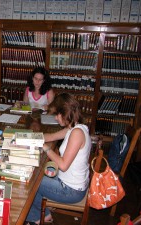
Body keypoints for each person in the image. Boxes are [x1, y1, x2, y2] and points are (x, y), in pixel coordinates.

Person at [25, 93, 92, 224]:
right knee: (36, 174)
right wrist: (28, 137)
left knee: (31, 180)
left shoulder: (76, 133)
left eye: (57, 114)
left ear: (65, 113)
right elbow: (50, 136)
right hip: (68, 181)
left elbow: (63, 165)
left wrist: (45, 147)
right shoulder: (74, 128)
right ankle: (45, 214)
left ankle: (35, 217)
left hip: (71, 190)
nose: (56, 118)